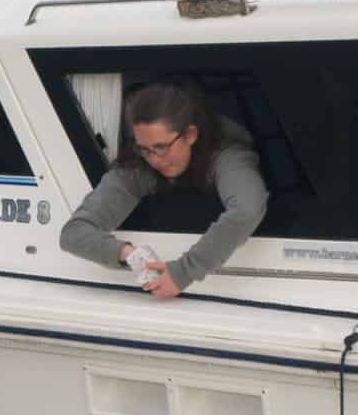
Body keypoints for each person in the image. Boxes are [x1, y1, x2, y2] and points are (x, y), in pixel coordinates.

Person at [59, 79, 269, 299]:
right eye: (145, 149)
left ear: (190, 135)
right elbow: (73, 233)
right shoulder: (139, 165)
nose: (155, 160)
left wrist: (183, 272)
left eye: (161, 147)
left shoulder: (228, 154)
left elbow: (247, 209)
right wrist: (128, 254)